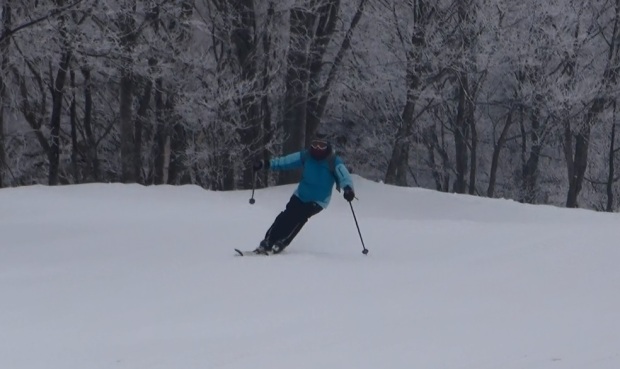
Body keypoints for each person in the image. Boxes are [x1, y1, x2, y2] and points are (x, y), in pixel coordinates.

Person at [252, 137, 355, 254]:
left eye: (322, 145)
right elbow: (286, 161)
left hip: (318, 200)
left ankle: (282, 241)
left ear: (328, 146)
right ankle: (268, 241)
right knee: (286, 215)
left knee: (300, 217)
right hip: (301, 194)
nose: (318, 148)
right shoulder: (306, 156)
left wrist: (348, 189)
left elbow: (344, 175)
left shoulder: (333, 161)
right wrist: (265, 164)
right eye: (315, 144)